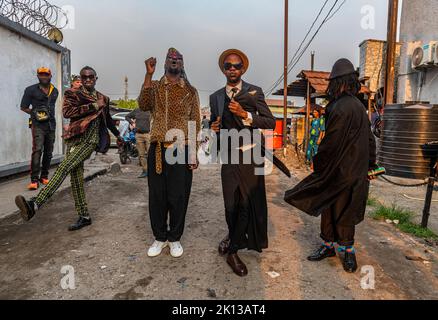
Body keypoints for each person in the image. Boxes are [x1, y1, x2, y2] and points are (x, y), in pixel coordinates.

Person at [284, 59, 377, 273]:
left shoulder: (336, 107)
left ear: (337, 82)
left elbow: (331, 143)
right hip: (356, 171)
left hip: (339, 171)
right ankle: (336, 249)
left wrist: (318, 163)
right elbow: (370, 139)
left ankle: (345, 250)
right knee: (345, 210)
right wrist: (372, 165)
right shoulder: (359, 107)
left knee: (333, 208)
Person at [15, 66, 123, 231]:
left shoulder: (104, 98)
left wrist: (119, 135)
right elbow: (67, 112)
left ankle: (36, 203)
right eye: (84, 77)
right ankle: (84, 216)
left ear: (96, 78)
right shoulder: (73, 94)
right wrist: (94, 106)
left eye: (91, 77)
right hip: (74, 140)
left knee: (64, 166)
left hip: (90, 141)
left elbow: (107, 120)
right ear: (81, 78)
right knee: (76, 179)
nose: (87, 80)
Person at [210, 49, 276, 277]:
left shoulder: (254, 92)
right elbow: (213, 125)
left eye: (236, 66)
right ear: (223, 69)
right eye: (228, 66)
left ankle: (234, 251)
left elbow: (270, 122)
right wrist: (213, 128)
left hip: (250, 156)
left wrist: (246, 116)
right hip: (228, 157)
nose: (232, 69)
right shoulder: (216, 97)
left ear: (243, 69)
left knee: (246, 204)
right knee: (230, 205)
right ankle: (233, 234)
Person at [138, 48, 201, 258]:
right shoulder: (155, 87)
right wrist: (148, 74)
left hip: (180, 150)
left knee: (178, 196)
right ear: (165, 63)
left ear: (182, 64)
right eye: (170, 59)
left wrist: (193, 153)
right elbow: (143, 104)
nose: (174, 61)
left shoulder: (190, 91)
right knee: (157, 197)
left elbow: (195, 123)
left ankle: (174, 238)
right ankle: (159, 238)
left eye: (178, 59)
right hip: (157, 149)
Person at [20, 67, 59, 190]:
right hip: (38, 125)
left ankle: (44, 176)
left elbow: (51, 107)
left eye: (46, 75)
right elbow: (23, 107)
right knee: (37, 150)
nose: (43, 77)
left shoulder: (55, 91)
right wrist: (35, 113)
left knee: (49, 151)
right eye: (41, 75)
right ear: (38, 76)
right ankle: (34, 180)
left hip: (51, 125)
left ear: (50, 76)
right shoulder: (30, 90)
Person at [126, 108, 151, 178]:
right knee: (141, 155)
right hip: (138, 135)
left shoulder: (150, 110)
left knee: (151, 154)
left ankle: (152, 171)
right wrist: (132, 123)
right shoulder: (136, 110)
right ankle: (145, 171)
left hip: (148, 134)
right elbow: (127, 116)